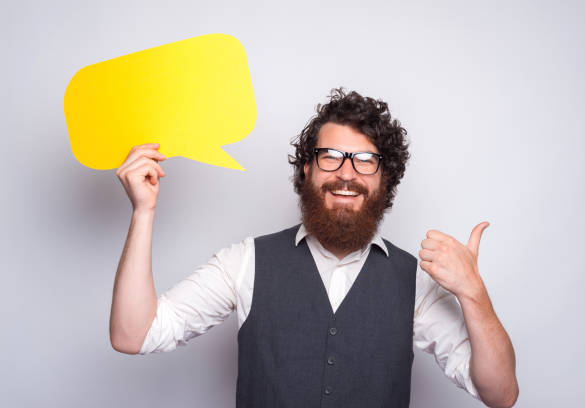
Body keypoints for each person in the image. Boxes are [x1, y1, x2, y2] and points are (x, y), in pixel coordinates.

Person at [109, 88, 518, 407]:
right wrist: (143, 213)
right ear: (307, 168)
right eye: (331, 157)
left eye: (364, 160)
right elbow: (136, 335)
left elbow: (500, 394)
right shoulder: (246, 262)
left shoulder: (416, 283)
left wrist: (473, 294)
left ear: (384, 179)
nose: (346, 173)